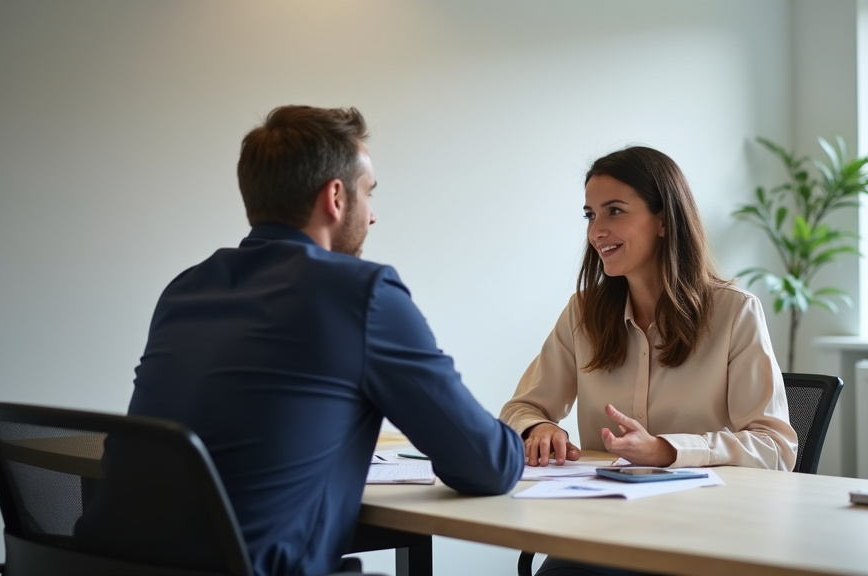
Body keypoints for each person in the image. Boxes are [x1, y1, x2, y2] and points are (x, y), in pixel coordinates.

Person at [122, 105, 524, 576]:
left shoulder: (186, 289)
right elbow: (487, 465)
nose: (372, 216)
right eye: (367, 193)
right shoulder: (360, 293)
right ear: (335, 196)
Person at [500, 146, 797, 576]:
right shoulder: (582, 313)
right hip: (603, 531)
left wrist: (667, 450)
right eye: (589, 215)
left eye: (614, 211)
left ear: (663, 220)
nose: (597, 231)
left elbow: (776, 447)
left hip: (704, 533)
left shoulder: (735, 312)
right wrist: (539, 426)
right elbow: (519, 408)